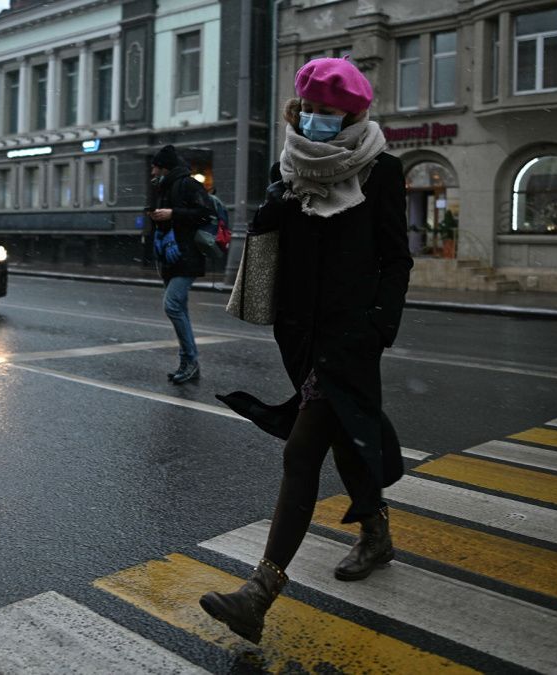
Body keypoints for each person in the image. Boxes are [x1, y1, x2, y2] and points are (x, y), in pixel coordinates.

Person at [200, 57, 413, 643]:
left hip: (352, 335)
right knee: (347, 435)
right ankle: (376, 534)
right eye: (311, 109)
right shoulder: (288, 168)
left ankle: (259, 592)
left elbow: (397, 259)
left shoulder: (381, 171)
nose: (319, 119)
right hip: (302, 335)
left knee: (301, 452)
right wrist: (273, 206)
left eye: (330, 111)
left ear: (354, 112)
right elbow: (279, 250)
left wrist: (379, 327)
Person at [148, 144, 214, 384]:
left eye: (155, 167)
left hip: (187, 255)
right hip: (171, 255)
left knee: (172, 305)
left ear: (165, 167)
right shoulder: (165, 186)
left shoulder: (187, 184)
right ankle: (188, 363)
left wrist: (172, 213)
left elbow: (205, 213)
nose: (152, 172)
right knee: (180, 308)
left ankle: (190, 360)